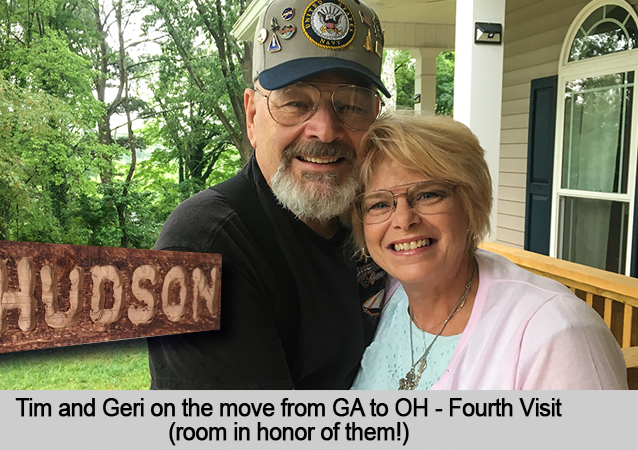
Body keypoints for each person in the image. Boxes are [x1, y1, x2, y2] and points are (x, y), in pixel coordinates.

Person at [147, 0, 390, 389]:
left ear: (375, 118)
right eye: (296, 102)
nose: (325, 131)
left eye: (351, 105)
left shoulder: (383, 221)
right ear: (252, 116)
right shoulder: (203, 246)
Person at [350, 113, 628, 390]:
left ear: (471, 204)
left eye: (428, 194)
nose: (403, 220)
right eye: (379, 204)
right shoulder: (386, 299)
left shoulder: (556, 331)